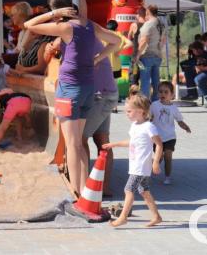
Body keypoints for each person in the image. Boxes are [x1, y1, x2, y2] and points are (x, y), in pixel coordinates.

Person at [23, 0, 121, 196]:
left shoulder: (65, 27)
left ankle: (78, 194)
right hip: (88, 88)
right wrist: (98, 58)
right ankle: (86, 192)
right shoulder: (88, 25)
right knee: (79, 143)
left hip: (70, 90)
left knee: (74, 145)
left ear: (58, 11)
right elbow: (116, 41)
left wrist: (53, 13)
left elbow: (28, 25)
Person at [104, 89, 163, 228]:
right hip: (135, 164)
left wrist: (155, 162)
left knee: (128, 189)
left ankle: (123, 217)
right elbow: (132, 142)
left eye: (129, 111)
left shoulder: (149, 126)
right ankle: (156, 216)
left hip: (141, 165)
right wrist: (114, 144)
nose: (127, 114)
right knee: (144, 191)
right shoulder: (135, 126)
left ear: (141, 111)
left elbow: (159, 144)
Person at [81, 38, 122, 197]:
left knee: (79, 141)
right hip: (107, 93)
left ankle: (84, 187)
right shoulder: (93, 39)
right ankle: (104, 187)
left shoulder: (79, 40)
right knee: (103, 142)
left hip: (99, 95)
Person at [149, 81, 191, 185]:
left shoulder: (174, 108)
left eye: (166, 92)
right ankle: (151, 170)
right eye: (160, 92)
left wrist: (185, 127)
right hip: (157, 138)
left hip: (170, 137)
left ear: (172, 95)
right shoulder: (154, 105)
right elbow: (149, 118)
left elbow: (179, 120)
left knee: (168, 156)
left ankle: (167, 177)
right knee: (159, 158)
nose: (162, 94)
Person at [137, 5, 165, 102]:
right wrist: (159, 49)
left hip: (147, 55)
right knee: (156, 81)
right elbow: (163, 40)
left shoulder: (149, 24)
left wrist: (137, 55)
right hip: (158, 55)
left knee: (145, 81)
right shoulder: (162, 24)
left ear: (148, 12)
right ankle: (156, 102)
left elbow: (144, 40)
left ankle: (144, 103)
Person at [127, 8, 146, 87]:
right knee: (145, 78)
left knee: (134, 77)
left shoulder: (134, 25)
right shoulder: (149, 25)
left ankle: (133, 95)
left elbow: (129, 37)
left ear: (138, 14)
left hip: (135, 55)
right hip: (146, 55)